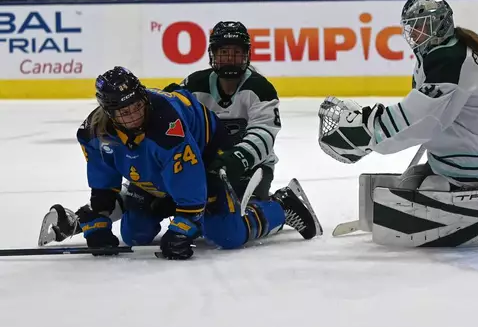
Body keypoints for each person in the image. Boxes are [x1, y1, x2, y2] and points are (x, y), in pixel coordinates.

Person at [317, 0, 478, 248]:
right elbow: (427, 115)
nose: (415, 34)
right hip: (473, 152)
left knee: (429, 187)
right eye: (412, 28)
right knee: (411, 180)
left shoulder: (450, 60)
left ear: (440, 23)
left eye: (421, 26)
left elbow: (420, 120)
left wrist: (370, 132)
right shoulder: (442, 50)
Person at [38, 67, 322, 258]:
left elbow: (188, 175)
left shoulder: (166, 123)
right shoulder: (92, 133)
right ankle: (91, 217)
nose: (134, 115)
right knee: (134, 234)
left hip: (207, 161)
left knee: (226, 234)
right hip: (162, 172)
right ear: (108, 112)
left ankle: (282, 205)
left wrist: (184, 224)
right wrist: (100, 220)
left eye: (137, 105)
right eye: (124, 111)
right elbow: (102, 183)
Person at [163, 20, 321, 238]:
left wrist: (236, 160)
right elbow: (166, 120)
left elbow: (264, 135)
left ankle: (281, 205)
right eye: (224, 53)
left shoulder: (259, 88)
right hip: (208, 166)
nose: (229, 59)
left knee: (230, 228)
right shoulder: (192, 85)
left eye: (236, 53)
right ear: (213, 55)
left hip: (252, 167)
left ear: (246, 55)